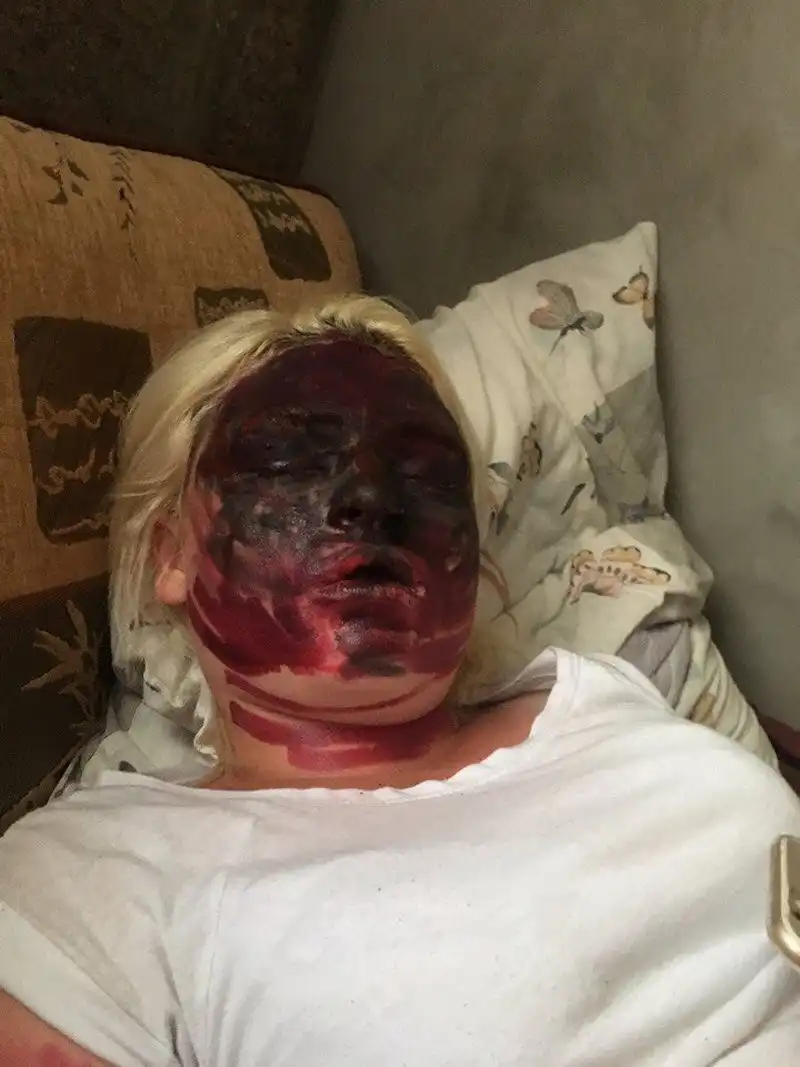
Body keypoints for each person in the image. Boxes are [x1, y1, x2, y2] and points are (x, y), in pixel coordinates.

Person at [1, 295, 799, 1067]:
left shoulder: (605, 693)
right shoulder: (90, 880)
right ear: (170, 552)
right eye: (293, 461)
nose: (370, 500)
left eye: (425, 474)